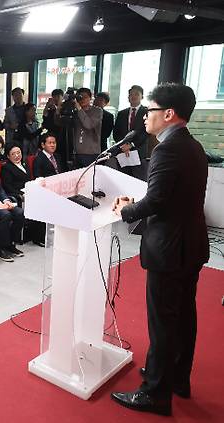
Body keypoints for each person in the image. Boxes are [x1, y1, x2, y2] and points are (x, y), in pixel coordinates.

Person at [111, 83, 209, 416]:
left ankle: (155, 392)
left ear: (168, 114)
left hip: (169, 250)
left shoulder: (168, 149)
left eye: (149, 111)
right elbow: (172, 197)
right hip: (190, 246)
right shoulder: (193, 146)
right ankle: (176, 378)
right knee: (183, 318)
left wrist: (126, 210)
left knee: (163, 322)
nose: (145, 119)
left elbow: (157, 201)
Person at [113, 85, 150, 180]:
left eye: (136, 94)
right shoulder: (122, 113)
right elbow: (116, 132)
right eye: (130, 95)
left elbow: (146, 133)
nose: (133, 97)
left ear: (142, 97)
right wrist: (123, 145)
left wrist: (131, 145)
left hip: (139, 152)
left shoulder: (146, 112)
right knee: (122, 179)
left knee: (138, 180)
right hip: (122, 152)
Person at [72, 88, 103, 168]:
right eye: (80, 97)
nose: (82, 99)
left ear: (90, 98)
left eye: (85, 97)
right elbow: (60, 123)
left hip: (91, 153)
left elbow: (88, 125)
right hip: (76, 152)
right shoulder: (75, 112)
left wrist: (79, 109)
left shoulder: (97, 111)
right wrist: (60, 108)